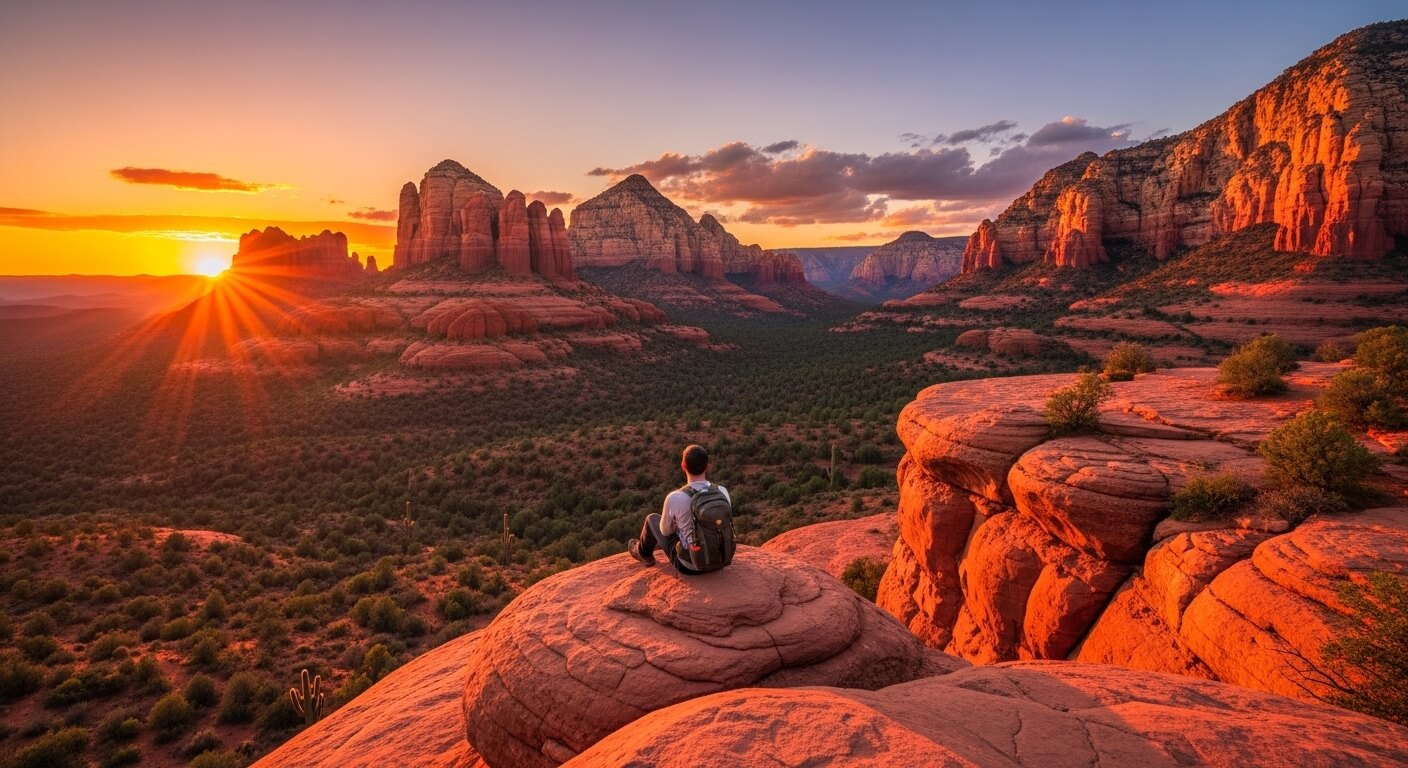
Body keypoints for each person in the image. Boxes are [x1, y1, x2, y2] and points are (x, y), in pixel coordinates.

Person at [628, 444, 731, 574]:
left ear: (683, 466)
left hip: (690, 566)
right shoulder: (722, 491)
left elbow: (665, 532)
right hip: (721, 560)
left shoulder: (675, 497)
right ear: (708, 467)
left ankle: (644, 554)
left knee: (652, 519)